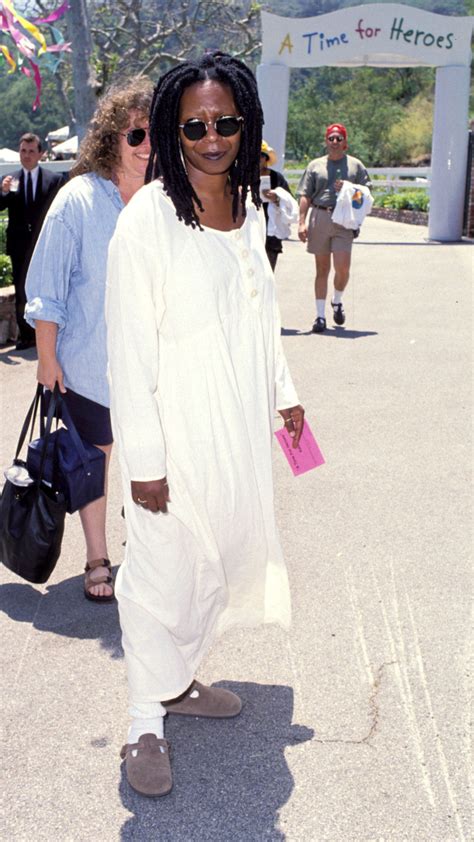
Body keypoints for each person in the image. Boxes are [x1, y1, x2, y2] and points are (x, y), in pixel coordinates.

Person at [105, 51, 305, 798]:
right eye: (196, 125)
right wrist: (145, 464)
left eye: (226, 122)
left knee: (215, 563)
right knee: (159, 576)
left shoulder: (250, 211)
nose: (213, 137)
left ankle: (180, 682)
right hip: (172, 440)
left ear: (245, 123)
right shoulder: (147, 223)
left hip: (235, 435)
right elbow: (128, 354)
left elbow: (263, 317)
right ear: (172, 129)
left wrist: (285, 393)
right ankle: (141, 726)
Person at [24, 77, 153, 602]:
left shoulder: (167, 200)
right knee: (94, 460)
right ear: (111, 138)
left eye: (156, 136)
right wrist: (47, 358)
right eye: (136, 135)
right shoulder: (77, 200)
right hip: (90, 362)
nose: (148, 147)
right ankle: (98, 556)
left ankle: (147, 553)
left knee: (153, 461)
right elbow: (47, 287)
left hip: (154, 367)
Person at [297, 123, 371, 333]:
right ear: (326, 141)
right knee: (321, 269)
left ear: (345, 143)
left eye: (339, 139)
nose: (335, 142)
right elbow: (305, 195)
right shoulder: (315, 166)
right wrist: (301, 222)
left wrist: (350, 188)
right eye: (331, 138)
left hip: (344, 218)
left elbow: (366, 194)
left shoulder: (355, 166)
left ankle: (337, 300)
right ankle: (320, 317)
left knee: (342, 267)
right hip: (320, 215)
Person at [0, 133, 65, 350]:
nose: (26, 155)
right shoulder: (9, 180)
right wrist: (3, 192)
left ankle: (48, 333)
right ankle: (26, 336)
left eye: (30, 151)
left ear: (40, 154)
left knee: (46, 287)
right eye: (22, 151)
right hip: (19, 246)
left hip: (44, 243)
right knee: (21, 290)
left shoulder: (53, 180)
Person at [260, 140, 296, 271]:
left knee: (268, 274)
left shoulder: (276, 178)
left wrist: (277, 198)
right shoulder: (243, 177)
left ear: (266, 158)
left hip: (271, 234)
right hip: (249, 230)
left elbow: (290, 203)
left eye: (262, 155)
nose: (258, 158)